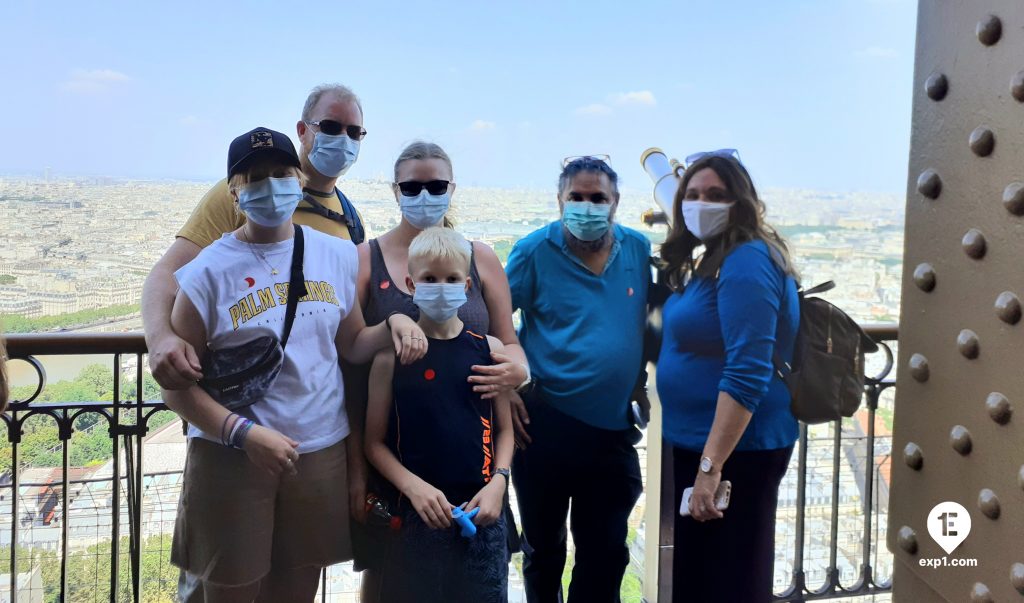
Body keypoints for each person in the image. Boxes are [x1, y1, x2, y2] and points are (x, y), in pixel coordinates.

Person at [163, 127, 426, 603]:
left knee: (298, 587)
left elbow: (351, 344)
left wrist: (395, 327)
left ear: (298, 177)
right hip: (232, 454)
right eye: (254, 177)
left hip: (318, 448)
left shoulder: (337, 255)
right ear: (234, 191)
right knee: (230, 589)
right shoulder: (205, 274)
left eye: (280, 174)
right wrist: (241, 433)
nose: (270, 186)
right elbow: (176, 388)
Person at [353, 141, 528, 599]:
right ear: (395, 190)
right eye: (413, 186)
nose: (424, 194)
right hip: (405, 477)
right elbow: (351, 347)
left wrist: (514, 376)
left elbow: (510, 345)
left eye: (436, 185)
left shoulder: (479, 259)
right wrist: (393, 321)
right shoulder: (367, 260)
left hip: (479, 483)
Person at [144, 82, 368, 392]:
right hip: (241, 408)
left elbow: (348, 325)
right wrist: (160, 338)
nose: (343, 139)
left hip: (319, 408)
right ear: (302, 131)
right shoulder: (241, 193)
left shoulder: (349, 217)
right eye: (330, 126)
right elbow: (169, 273)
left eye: (354, 132)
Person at [656, 150, 799, 603]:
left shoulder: (747, 261)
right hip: (710, 447)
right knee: (706, 578)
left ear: (741, 202)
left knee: (730, 581)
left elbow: (748, 370)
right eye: (693, 195)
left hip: (734, 453)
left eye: (716, 195)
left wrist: (709, 469)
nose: (701, 204)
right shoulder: (716, 258)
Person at [505, 156, 649, 603]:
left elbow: (642, 321)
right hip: (544, 424)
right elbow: (490, 322)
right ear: (560, 201)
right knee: (544, 550)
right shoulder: (533, 252)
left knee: (605, 552)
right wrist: (507, 386)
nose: (587, 207)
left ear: (615, 202)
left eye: (597, 198)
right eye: (577, 198)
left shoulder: (638, 249)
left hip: (611, 430)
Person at [364, 227, 513, 603]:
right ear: (411, 283)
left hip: (484, 514)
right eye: (430, 279)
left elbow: (505, 432)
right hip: (416, 517)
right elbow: (373, 442)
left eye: (451, 279)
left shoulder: (489, 350)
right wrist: (413, 488)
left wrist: (500, 482)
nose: (441, 287)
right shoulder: (390, 358)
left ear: (466, 285)